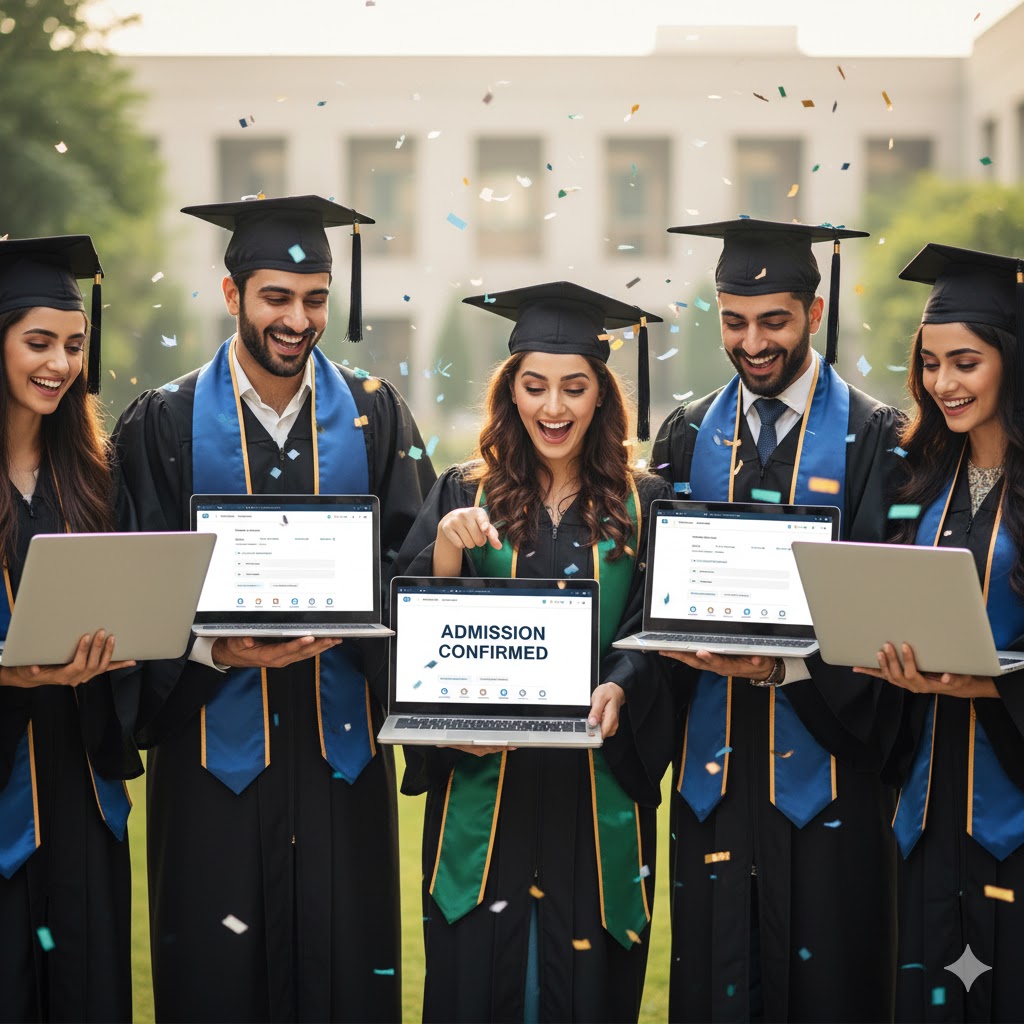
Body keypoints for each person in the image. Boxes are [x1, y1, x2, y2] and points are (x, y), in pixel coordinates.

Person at [113, 196, 435, 1022]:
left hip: (342, 756)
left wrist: (381, 630)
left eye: (315, 298)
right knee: (217, 978)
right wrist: (209, 652)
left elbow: (415, 569)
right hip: (212, 759)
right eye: (276, 298)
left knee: (344, 970)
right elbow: (137, 576)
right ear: (232, 296)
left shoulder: (375, 413)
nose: (298, 319)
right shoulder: (166, 421)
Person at [394, 281, 674, 1023]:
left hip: (595, 785)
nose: (554, 408)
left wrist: (622, 682)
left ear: (601, 397)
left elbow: (652, 632)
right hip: (488, 782)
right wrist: (449, 551)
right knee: (476, 979)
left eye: (574, 388)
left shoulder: (645, 503)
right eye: (536, 386)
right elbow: (418, 636)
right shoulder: (464, 491)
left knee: (585, 985)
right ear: (510, 392)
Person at [651, 219, 905, 1022]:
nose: (752, 343)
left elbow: (883, 612)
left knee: (830, 984)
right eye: (733, 321)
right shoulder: (688, 433)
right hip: (713, 786)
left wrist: (779, 667)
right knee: (715, 983)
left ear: (815, 312)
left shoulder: (877, 438)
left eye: (774, 321)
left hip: (830, 784)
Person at [854, 244, 1024, 1022]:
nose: (943, 384)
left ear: (1010, 362)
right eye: (929, 364)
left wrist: (989, 682)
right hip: (926, 811)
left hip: (1012, 814)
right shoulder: (918, 480)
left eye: (966, 363)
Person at [0, 235, 141, 1022]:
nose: (59, 363)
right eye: (38, 342)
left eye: (74, 345)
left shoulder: (93, 474)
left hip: (80, 781)